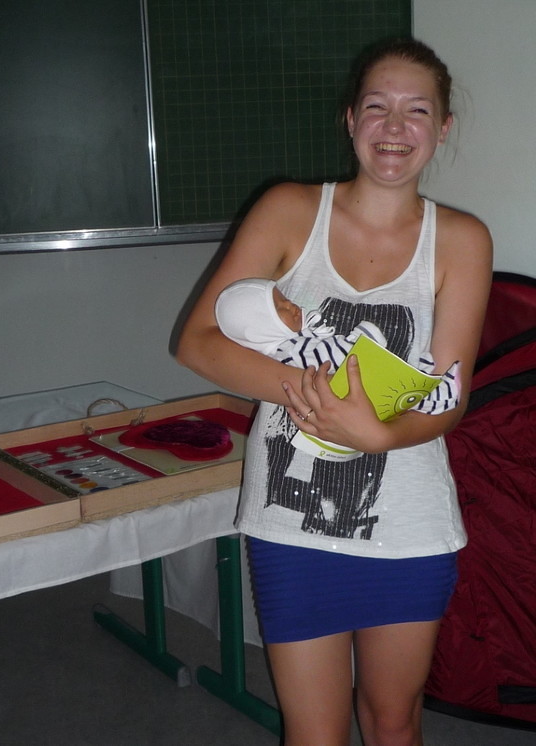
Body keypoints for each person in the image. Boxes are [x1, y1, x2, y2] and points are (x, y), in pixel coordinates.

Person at [177, 37, 493, 746]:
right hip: (292, 527)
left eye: (417, 110)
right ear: (351, 119)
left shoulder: (463, 240)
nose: (394, 127)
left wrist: (377, 432)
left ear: (442, 127)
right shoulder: (289, 211)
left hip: (409, 525)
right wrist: (317, 392)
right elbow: (198, 340)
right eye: (377, 106)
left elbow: (449, 395)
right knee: (315, 733)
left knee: (393, 723)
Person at [214, 277, 460, 416]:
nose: (290, 305)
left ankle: (422, 379)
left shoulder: (297, 341)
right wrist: (361, 340)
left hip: (354, 387)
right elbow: (335, 358)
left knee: (399, 385)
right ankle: (440, 396)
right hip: (353, 390)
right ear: (260, 328)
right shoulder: (290, 352)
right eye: (279, 308)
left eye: (285, 299)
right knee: (397, 392)